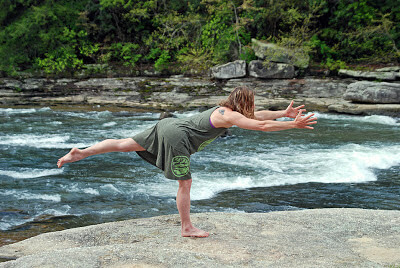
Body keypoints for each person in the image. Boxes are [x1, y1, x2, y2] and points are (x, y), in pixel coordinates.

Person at [57, 86, 317, 238]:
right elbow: (259, 125)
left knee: (125, 144)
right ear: (244, 102)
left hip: (168, 125)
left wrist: (284, 113)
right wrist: (292, 125)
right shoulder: (230, 116)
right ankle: (187, 227)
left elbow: (258, 115)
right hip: (177, 137)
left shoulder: (226, 111)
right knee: (185, 182)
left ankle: (81, 152)